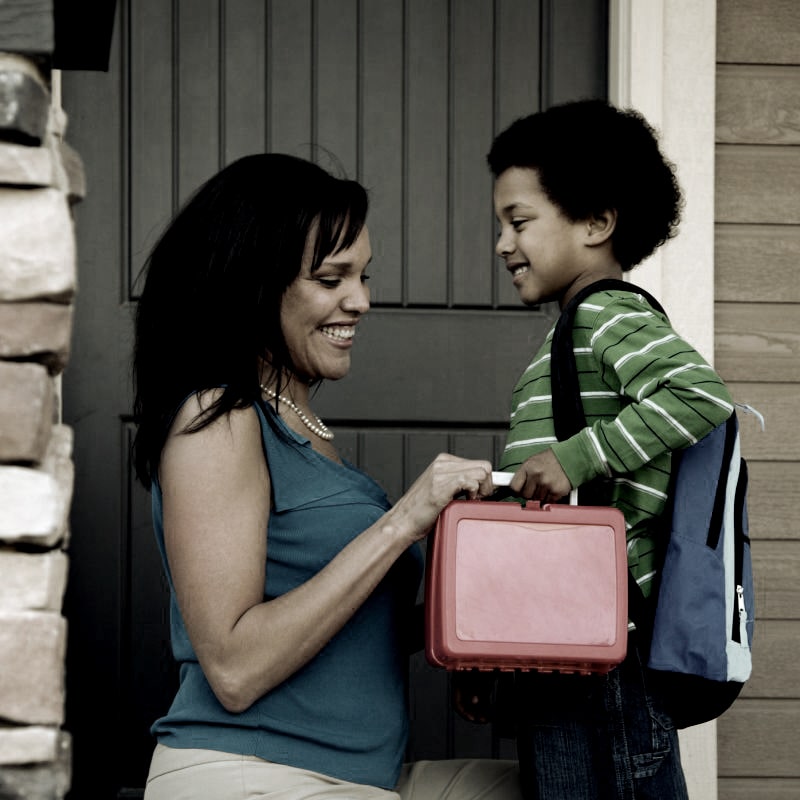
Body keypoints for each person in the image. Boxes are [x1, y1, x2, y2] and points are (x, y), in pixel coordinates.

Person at [131, 152, 522, 800]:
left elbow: (348, 625)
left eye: (362, 276)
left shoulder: (303, 430)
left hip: (350, 778)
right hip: (249, 775)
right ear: (256, 283)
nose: (361, 301)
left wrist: (468, 638)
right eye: (331, 278)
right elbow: (233, 667)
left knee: (561, 782)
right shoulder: (218, 420)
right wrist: (402, 522)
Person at [484, 99, 735, 799]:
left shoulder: (605, 313)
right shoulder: (574, 331)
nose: (503, 244)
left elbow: (700, 395)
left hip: (603, 652)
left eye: (519, 221)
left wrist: (573, 458)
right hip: (566, 639)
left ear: (597, 221)